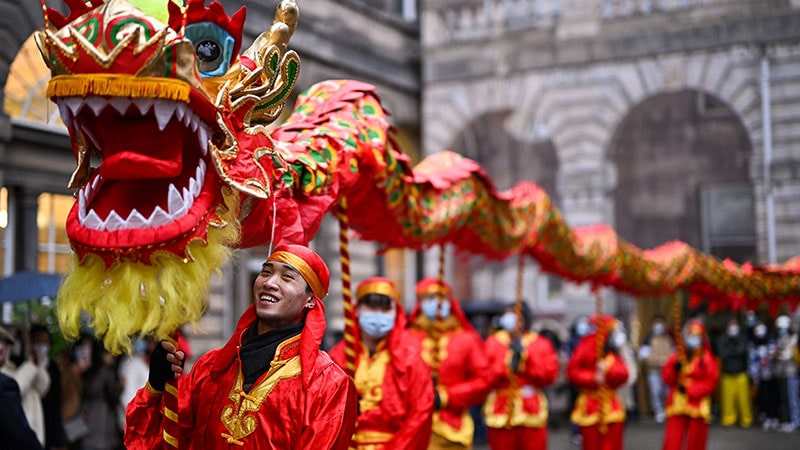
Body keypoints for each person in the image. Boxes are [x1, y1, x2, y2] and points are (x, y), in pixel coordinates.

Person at [125, 243, 358, 449]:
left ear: (310, 300)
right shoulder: (211, 368)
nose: (270, 282)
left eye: (287, 277)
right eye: (265, 272)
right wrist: (156, 386)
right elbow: (154, 441)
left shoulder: (329, 385)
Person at [329, 276, 434, 449]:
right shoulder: (338, 357)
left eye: (385, 309)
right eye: (371, 307)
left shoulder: (411, 359)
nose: (378, 314)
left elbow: (421, 414)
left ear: (396, 313)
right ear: (356, 310)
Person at [407, 277, 492, 450]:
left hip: (452, 429)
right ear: (420, 303)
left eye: (441, 298)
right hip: (410, 428)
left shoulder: (467, 339)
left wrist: (447, 397)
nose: (435, 303)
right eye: (429, 298)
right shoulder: (405, 339)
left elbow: (484, 380)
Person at [483, 303, 559, 450]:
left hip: (531, 407)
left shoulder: (540, 343)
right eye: (507, 314)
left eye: (513, 314)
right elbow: (485, 374)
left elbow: (549, 375)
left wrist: (526, 360)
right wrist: (506, 365)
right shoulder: (493, 342)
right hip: (501, 406)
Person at [567, 315, 630, 450]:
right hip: (590, 404)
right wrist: (593, 377)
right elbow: (573, 371)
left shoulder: (613, 353)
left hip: (611, 405)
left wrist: (607, 371)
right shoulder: (586, 345)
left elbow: (624, 374)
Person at [661, 320, 719, 450]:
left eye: (697, 335)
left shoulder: (707, 358)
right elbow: (666, 378)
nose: (693, 338)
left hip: (696, 404)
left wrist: (689, 389)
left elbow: (711, 382)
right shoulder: (677, 355)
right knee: (673, 440)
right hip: (677, 403)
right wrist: (674, 370)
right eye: (691, 334)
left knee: (696, 441)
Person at [1, 325, 51, 446]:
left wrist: (35, 364)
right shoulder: (6, 375)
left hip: (34, 433)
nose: (3, 348)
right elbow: (16, 387)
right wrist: (29, 367)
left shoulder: (21, 367)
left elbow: (43, 387)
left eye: (7, 344)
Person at [30, 324, 68, 450]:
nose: (42, 345)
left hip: (49, 422)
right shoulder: (26, 365)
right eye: (38, 341)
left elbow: (57, 400)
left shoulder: (53, 367)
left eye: (45, 341)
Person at [716, 318, 752, 427]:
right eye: (731, 325)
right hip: (727, 373)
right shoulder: (722, 339)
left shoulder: (743, 338)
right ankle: (729, 419)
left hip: (741, 373)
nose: (733, 328)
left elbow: (744, 352)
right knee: (728, 400)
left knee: (744, 399)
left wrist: (731, 352)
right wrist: (736, 350)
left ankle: (746, 420)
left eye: (735, 325)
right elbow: (723, 353)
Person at [638, 316, 673, 423]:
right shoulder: (648, 339)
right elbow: (643, 355)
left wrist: (668, 361)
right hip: (653, 369)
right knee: (656, 390)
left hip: (667, 370)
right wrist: (656, 361)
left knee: (667, 391)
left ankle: (668, 409)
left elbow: (673, 352)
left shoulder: (667, 338)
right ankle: (658, 410)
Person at [748, 320, 779, 430]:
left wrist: (768, 357)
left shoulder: (771, 339)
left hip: (772, 374)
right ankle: (765, 416)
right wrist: (754, 374)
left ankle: (774, 417)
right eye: (757, 328)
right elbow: (752, 359)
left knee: (773, 396)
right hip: (760, 376)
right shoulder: (753, 342)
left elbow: (775, 353)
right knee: (763, 397)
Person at [567, 315, 591, 444]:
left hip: (590, 382)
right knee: (576, 405)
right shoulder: (572, 341)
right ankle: (575, 431)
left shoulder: (591, 340)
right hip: (577, 381)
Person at [774, 314, 799, 432]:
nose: (781, 330)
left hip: (790, 372)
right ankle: (786, 420)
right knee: (784, 398)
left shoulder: (793, 337)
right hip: (781, 372)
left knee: (792, 398)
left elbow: (788, 354)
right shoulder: (780, 338)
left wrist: (781, 354)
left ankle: (794, 421)